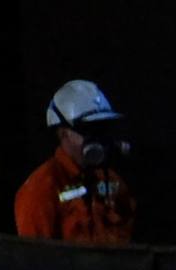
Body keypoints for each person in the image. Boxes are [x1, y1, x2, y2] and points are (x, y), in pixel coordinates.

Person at [13, 81, 133, 243]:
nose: (98, 138)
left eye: (102, 128)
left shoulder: (112, 181)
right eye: (88, 130)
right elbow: (34, 260)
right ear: (63, 134)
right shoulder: (42, 187)